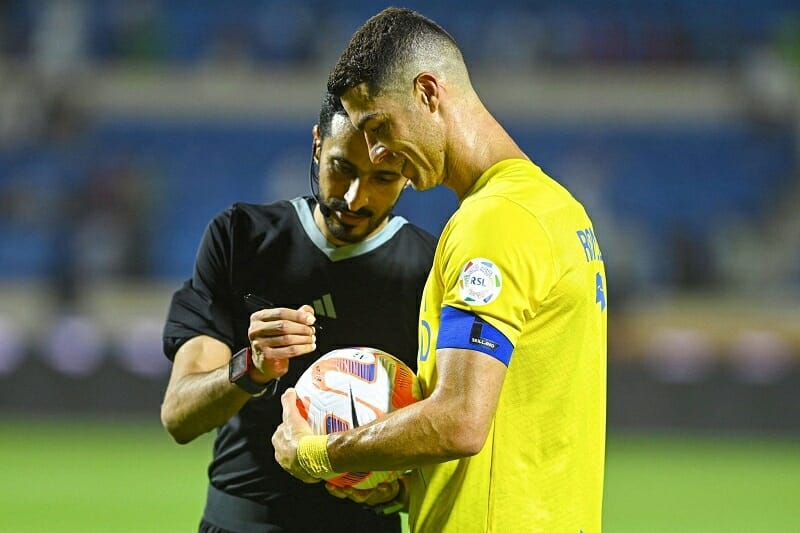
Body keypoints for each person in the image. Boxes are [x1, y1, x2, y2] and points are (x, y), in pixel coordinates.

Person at [272, 7, 607, 532]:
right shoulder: (557, 212)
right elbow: (516, 438)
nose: (378, 151)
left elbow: (461, 421)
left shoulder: (494, 224)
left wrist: (319, 454)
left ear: (429, 93)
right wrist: (403, 486)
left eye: (380, 125)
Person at [160, 92, 437, 533]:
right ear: (316, 145)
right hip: (243, 521)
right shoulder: (240, 238)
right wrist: (249, 366)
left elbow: (451, 428)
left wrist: (399, 491)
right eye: (341, 168)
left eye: (382, 177)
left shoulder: (432, 269)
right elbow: (178, 415)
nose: (355, 197)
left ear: (408, 174)